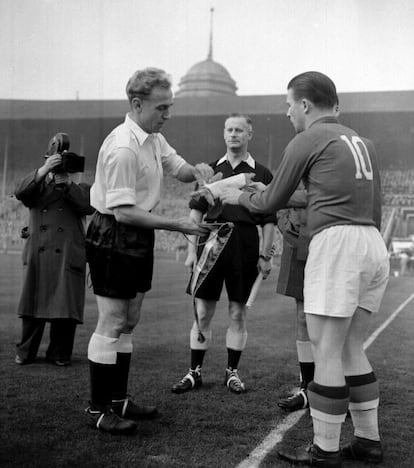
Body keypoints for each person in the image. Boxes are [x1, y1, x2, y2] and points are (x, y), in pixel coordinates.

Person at [221, 72, 389, 467]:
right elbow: (376, 207)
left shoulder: (308, 138)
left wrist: (239, 193)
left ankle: (324, 449)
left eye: (289, 105)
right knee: (352, 348)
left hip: (338, 244)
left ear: (306, 105)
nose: (287, 113)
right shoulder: (362, 141)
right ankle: (368, 441)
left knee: (326, 351)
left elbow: (270, 200)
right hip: (371, 243)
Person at [85, 67, 215, 435]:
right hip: (113, 232)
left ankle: (118, 399)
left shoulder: (152, 137)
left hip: (138, 233)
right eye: (162, 108)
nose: (167, 115)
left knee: (130, 320)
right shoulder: (124, 147)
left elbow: (179, 168)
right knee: (111, 320)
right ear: (138, 104)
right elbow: (124, 212)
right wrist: (180, 225)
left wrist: (200, 170)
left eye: (170, 106)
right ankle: (98, 409)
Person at [171, 114, 277, 395]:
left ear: (249, 134)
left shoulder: (262, 172)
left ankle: (232, 372)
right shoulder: (209, 171)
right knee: (203, 310)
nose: (234, 134)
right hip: (211, 242)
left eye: (239, 130)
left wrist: (265, 255)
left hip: (244, 243)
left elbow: (269, 220)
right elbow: (196, 210)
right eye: (229, 129)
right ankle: (195, 372)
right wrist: (191, 251)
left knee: (237, 312)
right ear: (224, 134)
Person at [15, 153, 94, 366]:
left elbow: (89, 205)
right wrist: (42, 170)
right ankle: (25, 352)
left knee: (65, 309)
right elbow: (20, 192)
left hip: (67, 256)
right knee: (32, 306)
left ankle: (60, 353)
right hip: (39, 257)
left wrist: (68, 184)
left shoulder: (82, 189)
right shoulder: (37, 187)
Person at [276, 188, 314, 412]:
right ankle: (307, 387)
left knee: (329, 317)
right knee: (302, 317)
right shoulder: (294, 157)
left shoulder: (328, 159)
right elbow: (278, 200)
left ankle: (333, 385)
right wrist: (284, 224)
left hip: (324, 241)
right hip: (296, 243)